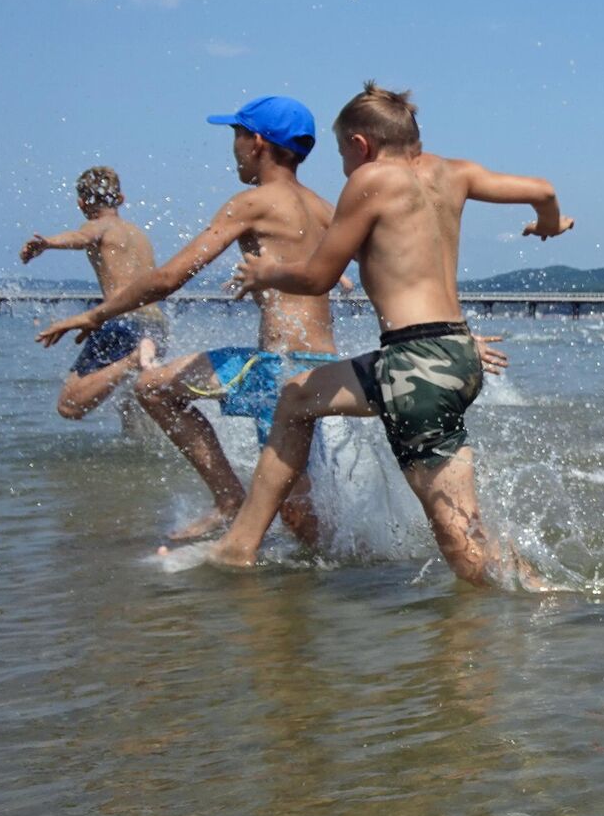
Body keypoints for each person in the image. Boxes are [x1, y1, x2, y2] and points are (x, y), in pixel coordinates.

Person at [207, 81, 574, 585]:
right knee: (296, 398)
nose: (343, 169)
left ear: (361, 145)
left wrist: (264, 272)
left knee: (462, 543)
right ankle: (239, 545)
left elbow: (317, 277)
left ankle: (543, 607)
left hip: (415, 366)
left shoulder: (372, 179)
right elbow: (544, 191)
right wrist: (549, 225)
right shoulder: (455, 172)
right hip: (446, 354)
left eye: (342, 155)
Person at [35, 97, 383, 542]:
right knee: (296, 507)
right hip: (318, 361)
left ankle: (232, 502)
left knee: (155, 389)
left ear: (257, 142)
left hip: (277, 367)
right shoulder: (323, 207)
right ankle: (332, 578)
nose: (233, 149)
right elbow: (383, 270)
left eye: (235, 136)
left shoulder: (252, 203)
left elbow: (167, 278)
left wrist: (94, 314)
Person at [20, 167, 168, 421]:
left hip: (124, 321)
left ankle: (134, 358)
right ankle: (137, 456)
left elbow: (81, 236)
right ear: (121, 199)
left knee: (69, 405)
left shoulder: (99, 226)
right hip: (157, 324)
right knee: (134, 405)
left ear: (81, 203)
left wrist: (49, 243)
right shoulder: (138, 234)